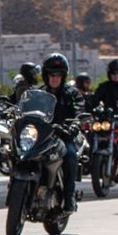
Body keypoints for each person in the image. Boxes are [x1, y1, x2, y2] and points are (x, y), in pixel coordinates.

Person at [37, 52, 84, 213]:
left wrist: (76, 123)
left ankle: (69, 195)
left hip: (63, 135)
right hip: (41, 136)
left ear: (63, 76)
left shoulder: (71, 94)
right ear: (46, 75)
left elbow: (80, 107)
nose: (55, 78)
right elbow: (25, 106)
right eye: (51, 74)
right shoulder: (39, 93)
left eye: (58, 75)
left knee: (71, 154)